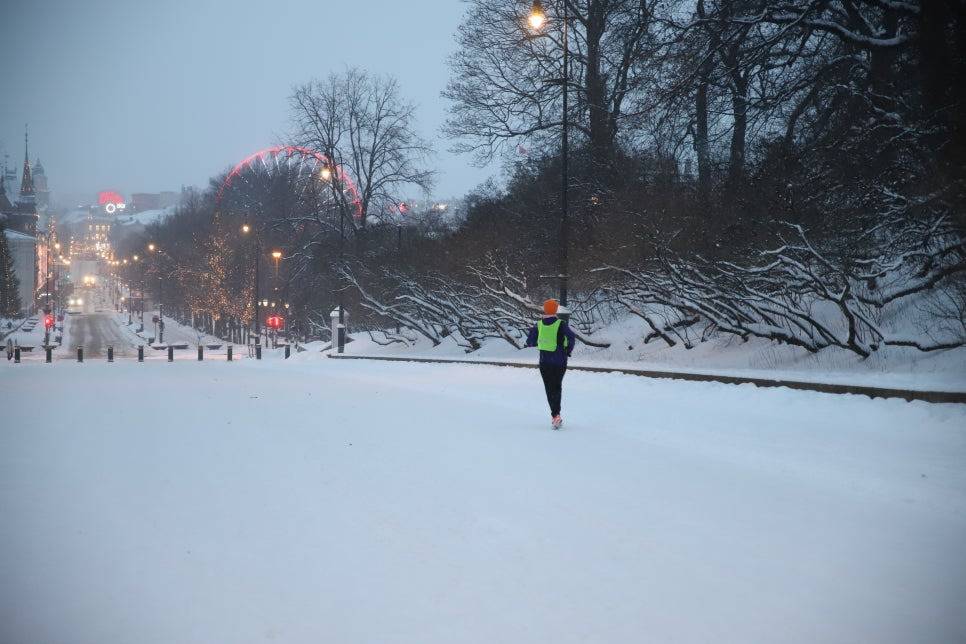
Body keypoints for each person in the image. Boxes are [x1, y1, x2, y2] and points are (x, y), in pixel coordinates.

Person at [525, 299, 576, 429]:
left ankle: (555, 415)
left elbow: (530, 342)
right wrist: (567, 351)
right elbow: (571, 337)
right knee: (557, 387)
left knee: (549, 388)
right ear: (556, 310)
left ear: (544, 310)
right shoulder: (561, 324)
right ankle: (556, 414)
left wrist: (534, 335)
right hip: (560, 362)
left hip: (545, 362)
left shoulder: (539, 325)